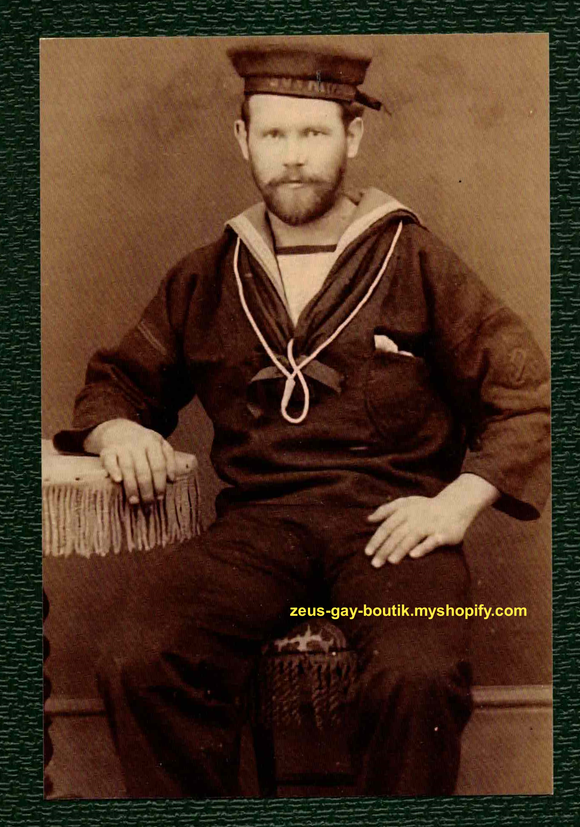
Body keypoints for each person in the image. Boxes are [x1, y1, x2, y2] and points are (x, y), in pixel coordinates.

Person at [54, 44, 550, 798]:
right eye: (274, 135)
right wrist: (118, 430)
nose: (292, 158)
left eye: (313, 135)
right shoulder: (208, 273)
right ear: (242, 139)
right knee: (139, 660)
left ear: (352, 138)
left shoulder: (415, 258)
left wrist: (456, 502)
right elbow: (118, 382)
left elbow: (527, 390)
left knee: (417, 677)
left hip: (390, 523)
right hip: (257, 527)